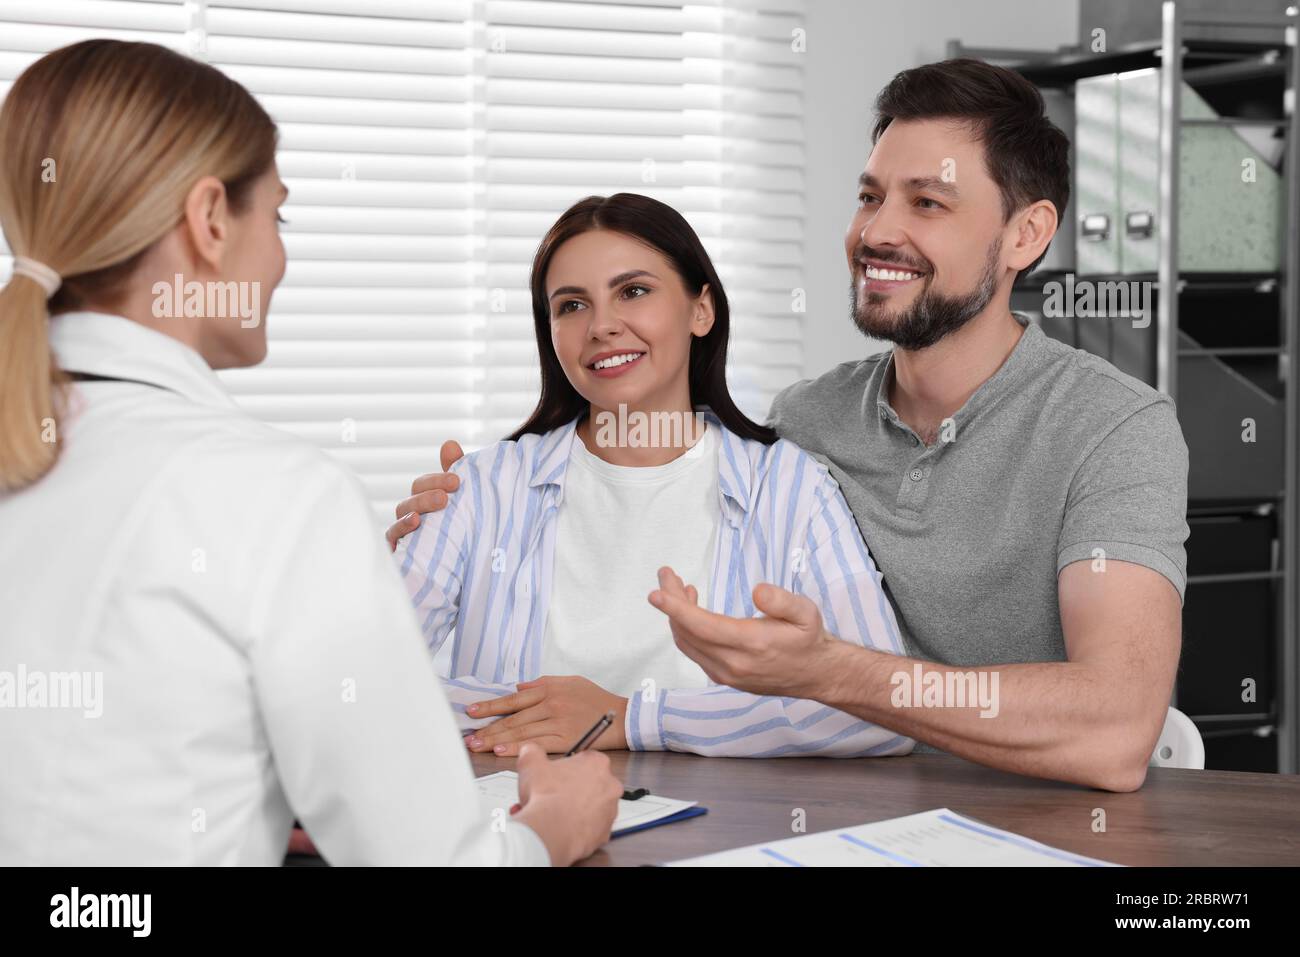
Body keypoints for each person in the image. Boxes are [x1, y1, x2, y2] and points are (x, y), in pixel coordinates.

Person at [389, 59, 1190, 792]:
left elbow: (1117, 727)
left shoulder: (1115, 428)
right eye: (870, 195)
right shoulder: (805, 424)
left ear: (1027, 234)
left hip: (1042, 822)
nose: (876, 231)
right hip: (855, 814)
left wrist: (829, 674)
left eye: (927, 201)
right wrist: (457, 510)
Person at [0, 39, 620, 866]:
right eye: (278, 214)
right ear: (211, 219)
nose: (282, 256)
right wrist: (553, 827)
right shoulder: (271, 495)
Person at [394, 193, 913, 759]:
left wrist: (631, 718)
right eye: (571, 306)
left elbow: (883, 712)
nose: (601, 326)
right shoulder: (480, 489)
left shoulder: (791, 490)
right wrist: (546, 714)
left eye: (633, 292)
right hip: (526, 828)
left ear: (701, 310)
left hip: (722, 833)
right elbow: (353, 683)